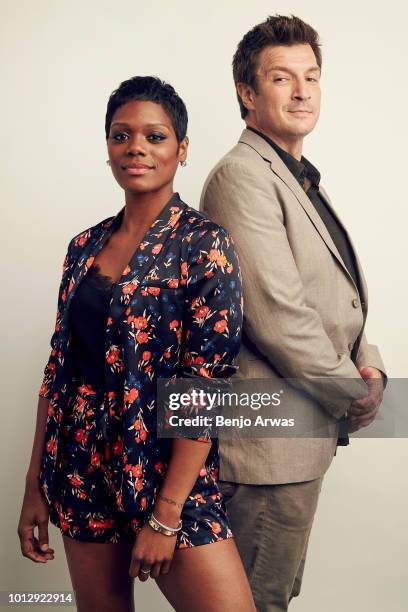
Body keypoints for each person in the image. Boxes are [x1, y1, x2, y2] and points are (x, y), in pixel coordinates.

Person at [18, 76, 256, 612]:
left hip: (167, 472)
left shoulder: (205, 245)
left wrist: (167, 516)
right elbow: (58, 372)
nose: (136, 149)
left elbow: (204, 387)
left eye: (155, 136)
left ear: (182, 149)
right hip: (80, 467)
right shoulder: (84, 247)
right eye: (121, 136)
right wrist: (36, 485)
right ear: (108, 147)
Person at [200, 15, 387, 612]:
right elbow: (277, 313)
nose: (303, 90)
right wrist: (350, 389)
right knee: (255, 602)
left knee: (274, 596)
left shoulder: (298, 178)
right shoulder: (241, 177)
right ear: (247, 93)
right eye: (282, 77)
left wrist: (371, 364)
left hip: (299, 436)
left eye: (312, 76)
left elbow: (338, 293)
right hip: (265, 448)